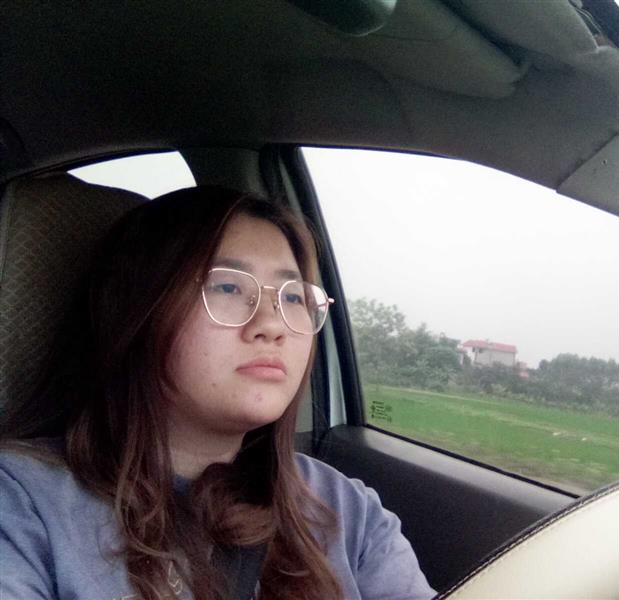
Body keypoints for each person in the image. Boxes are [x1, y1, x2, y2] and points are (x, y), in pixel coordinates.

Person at [0, 187, 436, 599]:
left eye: (293, 297)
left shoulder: (348, 511)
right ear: (138, 311)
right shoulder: (22, 504)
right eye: (227, 287)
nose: (273, 324)